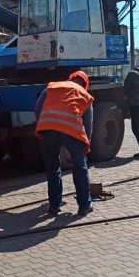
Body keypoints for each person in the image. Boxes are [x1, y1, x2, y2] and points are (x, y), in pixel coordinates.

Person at [35, 71, 94, 216]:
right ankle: (84, 206)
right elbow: (88, 122)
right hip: (71, 130)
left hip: (49, 128)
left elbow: (37, 109)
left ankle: (54, 206)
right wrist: (86, 143)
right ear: (85, 85)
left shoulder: (52, 86)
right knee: (80, 165)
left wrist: (47, 125)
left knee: (53, 166)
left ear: (70, 78)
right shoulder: (84, 94)